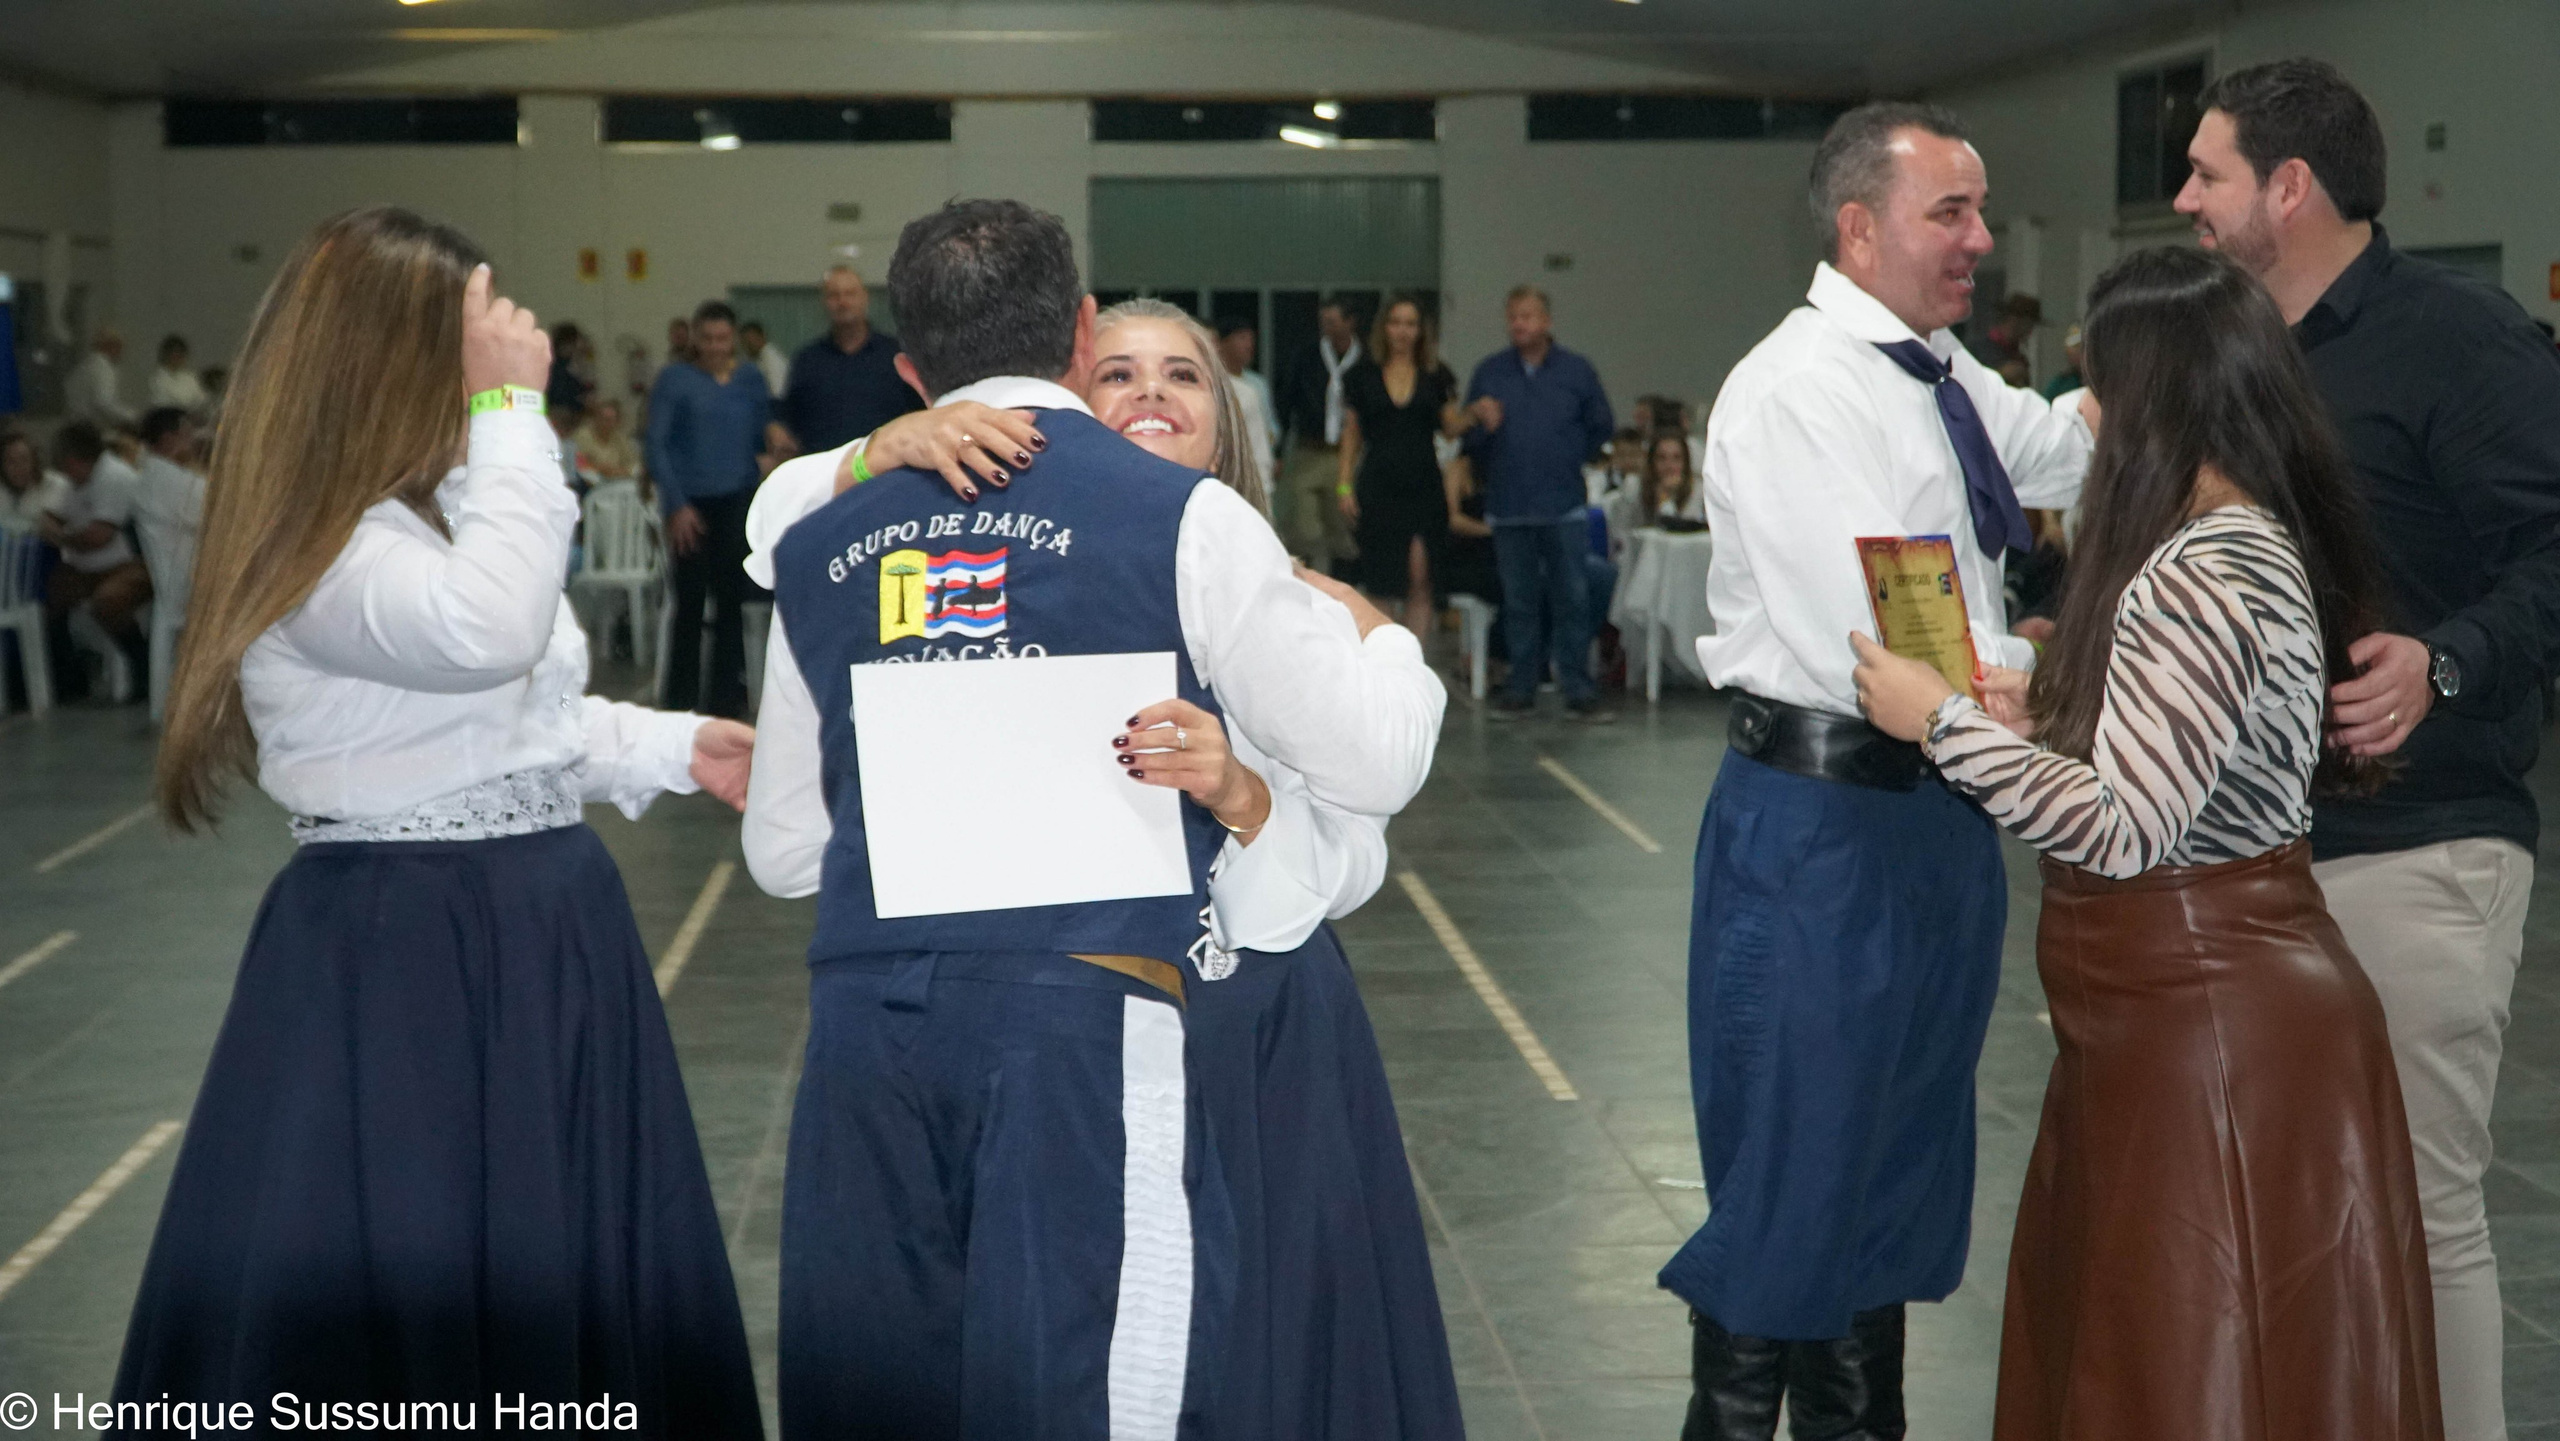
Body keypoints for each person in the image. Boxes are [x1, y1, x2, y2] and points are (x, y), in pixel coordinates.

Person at [737, 198, 1442, 1441]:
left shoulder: (820, 534)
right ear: (1076, 332)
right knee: (1098, 1385)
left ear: (909, 368)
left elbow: (788, 849)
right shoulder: (1185, 521)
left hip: (870, 1033)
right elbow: (1379, 762)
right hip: (1084, 1025)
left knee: (894, 1382)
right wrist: (1388, 646)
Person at [117, 206, 763, 1436]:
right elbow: (486, 634)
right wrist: (514, 423)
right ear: (392, 359)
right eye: (465, 340)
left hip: (535, 928)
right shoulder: (318, 543)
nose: (494, 357)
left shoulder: (434, 512)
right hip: (406, 952)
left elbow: (508, 724)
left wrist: (676, 747)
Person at [1852, 244, 2442, 1441]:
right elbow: (2185, 769)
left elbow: (2126, 828)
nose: (2086, 416)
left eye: (2097, 386)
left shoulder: (2197, 567)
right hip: (2205, 1014)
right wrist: (2046, 723)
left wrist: (1945, 724)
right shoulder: (2245, 539)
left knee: (2189, 1377)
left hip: (2204, 1027)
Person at [1667, 101, 2096, 1438]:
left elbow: (2056, 444)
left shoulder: (1933, 368)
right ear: (1860, 230)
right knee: (1795, 1179)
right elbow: (1888, 620)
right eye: (1949, 214)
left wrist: (2179, 352)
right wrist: (2024, 670)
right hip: (1822, 827)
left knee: (1892, 1178)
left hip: (1929, 822)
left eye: (1980, 210)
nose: (1980, 239)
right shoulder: (1805, 387)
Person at [2175, 59, 2560, 1441]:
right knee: (2279, 1213)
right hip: (2248, 861)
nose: (2184, 198)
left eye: (2208, 171)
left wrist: (2443, 661)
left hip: (2419, 846)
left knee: (2417, 1206)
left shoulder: (2462, 342)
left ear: (2290, 186)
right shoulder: (2226, 355)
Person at [1457, 285, 1616, 721]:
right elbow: (1467, 439)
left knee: (1573, 596)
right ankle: (1520, 685)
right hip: (1508, 505)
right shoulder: (1490, 372)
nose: (1518, 324)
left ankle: (1577, 686)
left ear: (1546, 322)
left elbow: (1602, 423)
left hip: (1562, 503)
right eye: (1512, 316)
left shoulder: (1576, 371)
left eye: (1526, 316)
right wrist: (1481, 424)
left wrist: (1569, 453)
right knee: (1519, 600)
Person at [645, 298, 773, 717]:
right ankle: (680, 701)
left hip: (737, 499)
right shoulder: (674, 380)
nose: (716, 346)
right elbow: (656, 445)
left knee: (732, 603)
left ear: (733, 338)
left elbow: (761, 435)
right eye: (708, 338)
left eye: (723, 338)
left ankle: (726, 701)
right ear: (695, 338)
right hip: (691, 506)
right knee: (690, 602)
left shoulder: (751, 380)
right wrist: (676, 506)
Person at [1338, 295, 1464, 636]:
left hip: (1423, 483)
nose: (1403, 331)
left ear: (1421, 330)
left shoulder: (1437, 375)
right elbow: (1352, 434)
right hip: (1378, 483)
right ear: (1384, 328)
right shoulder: (1361, 375)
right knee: (1381, 580)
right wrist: (1344, 484)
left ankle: (1416, 664)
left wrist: (1477, 413)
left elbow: (1451, 427)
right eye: (1396, 323)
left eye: (1410, 324)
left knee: (1420, 577)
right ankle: (1385, 662)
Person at [42, 419, 152, 694]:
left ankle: (145, 670)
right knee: (48, 595)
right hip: (86, 568)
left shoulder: (114, 477)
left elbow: (98, 538)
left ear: (75, 459)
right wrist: (63, 534)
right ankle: (69, 678)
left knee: (108, 602)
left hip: (132, 566)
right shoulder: (74, 483)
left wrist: (63, 536)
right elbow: (49, 518)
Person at [776, 265, 923, 453]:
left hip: (885, 474)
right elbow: (788, 418)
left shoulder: (897, 356)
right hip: (823, 474)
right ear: (823, 302)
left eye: (850, 294)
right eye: (834, 295)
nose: (842, 302)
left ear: (865, 298)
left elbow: (920, 412)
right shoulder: (806, 360)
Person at [1275, 294, 1365, 569]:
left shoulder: (1366, 361)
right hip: (1309, 449)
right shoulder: (1306, 356)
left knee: (1342, 523)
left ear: (1350, 322)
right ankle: (1308, 576)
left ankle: (1345, 582)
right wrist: (1279, 451)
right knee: (1304, 525)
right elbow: (1286, 402)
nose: (1327, 327)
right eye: (1323, 321)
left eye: (1333, 321)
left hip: (1347, 453)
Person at [131, 406, 206, 611]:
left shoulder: (150, 475)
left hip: (176, 585)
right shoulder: (171, 480)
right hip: (191, 587)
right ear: (168, 439)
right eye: (187, 434)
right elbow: (223, 518)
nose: (193, 441)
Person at [1216, 316, 1280, 496]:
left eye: (1251, 339)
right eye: (1241, 338)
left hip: (1257, 464)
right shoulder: (1213, 385)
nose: (1249, 345)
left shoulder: (1257, 385)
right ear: (1222, 343)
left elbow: (1269, 427)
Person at [65, 328, 136, 432]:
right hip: (93, 430)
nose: (121, 352)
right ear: (109, 346)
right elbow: (103, 403)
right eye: (119, 346)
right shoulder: (103, 368)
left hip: (74, 428)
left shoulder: (81, 368)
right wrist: (132, 416)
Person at [0, 429, 69, 530]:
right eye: (11, 461)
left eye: (24, 459)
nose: (18, 467)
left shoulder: (57, 485)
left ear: (34, 459)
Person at [1642, 428, 1704, 524]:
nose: (1669, 466)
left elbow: (1682, 530)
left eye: (1676, 458)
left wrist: (1666, 498)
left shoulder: (1698, 491)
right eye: (1661, 458)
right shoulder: (1635, 489)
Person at [573, 395, 641, 483]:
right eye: (603, 418)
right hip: (589, 484)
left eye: (610, 420)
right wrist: (601, 469)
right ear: (595, 418)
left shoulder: (620, 438)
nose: (606, 423)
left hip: (618, 482)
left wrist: (622, 471)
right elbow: (579, 464)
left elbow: (633, 464)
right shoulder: (582, 436)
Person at [148, 334, 208, 413]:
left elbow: (201, 398)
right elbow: (177, 399)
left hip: (189, 415)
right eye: (174, 353)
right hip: (166, 416)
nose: (177, 357)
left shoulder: (190, 377)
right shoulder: (157, 378)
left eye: (180, 354)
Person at [741, 318, 790, 398]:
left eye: (750, 341)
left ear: (762, 336)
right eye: (744, 342)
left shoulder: (773, 360)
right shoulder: (755, 359)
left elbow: (777, 393)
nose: (747, 346)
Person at [2037, 322, 2084, 400]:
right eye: (2073, 348)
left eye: (2078, 347)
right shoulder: (2062, 383)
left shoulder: (2101, 382)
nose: (2074, 354)